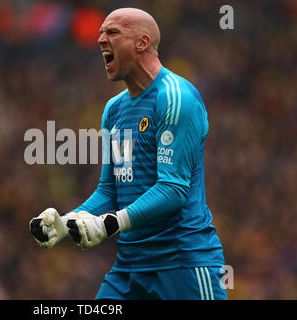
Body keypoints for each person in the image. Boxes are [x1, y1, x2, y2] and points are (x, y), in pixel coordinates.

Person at [29, 7, 227, 300]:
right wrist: (66, 223)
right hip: (129, 269)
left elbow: (173, 189)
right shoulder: (114, 110)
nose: (100, 40)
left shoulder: (175, 98)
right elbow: (109, 191)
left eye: (111, 32)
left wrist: (110, 224)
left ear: (142, 43)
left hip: (183, 266)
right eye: (100, 33)